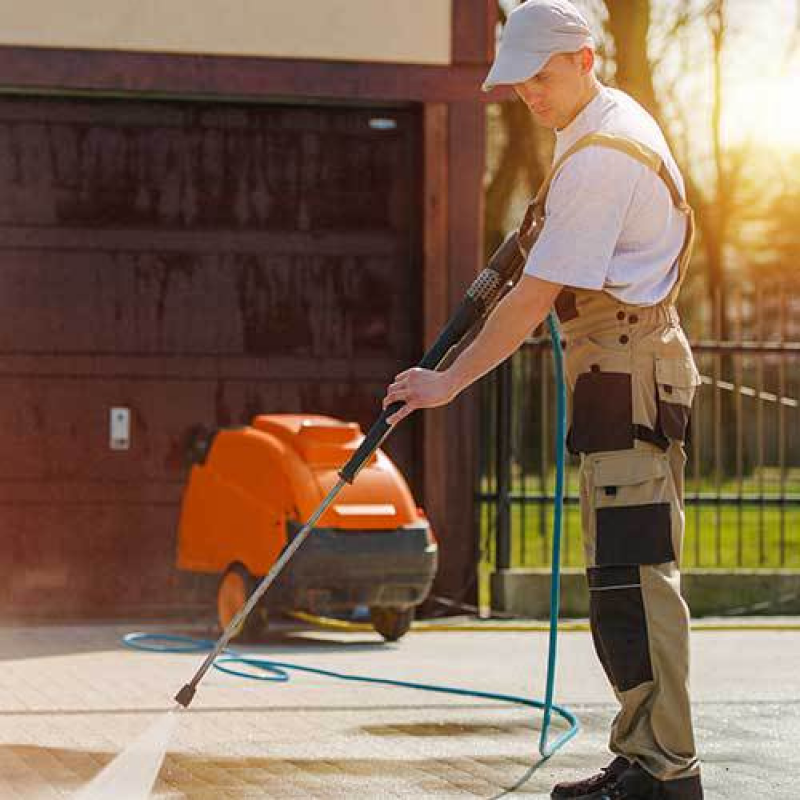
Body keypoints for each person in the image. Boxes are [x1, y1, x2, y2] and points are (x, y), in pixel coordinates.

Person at [381, 1, 704, 798]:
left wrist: (448, 381)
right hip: (612, 366)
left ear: (585, 58)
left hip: (628, 367)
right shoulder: (594, 129)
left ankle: (670, 771)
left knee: (637, 573)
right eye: (517, 82)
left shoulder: (602, 154)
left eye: (540, 76)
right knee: (615, 577)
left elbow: (531, 299)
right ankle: (642, 755)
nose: (528, 93)